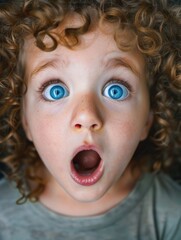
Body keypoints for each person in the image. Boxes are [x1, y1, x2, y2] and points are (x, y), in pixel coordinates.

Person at [0, 0, 181, 239]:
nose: (86, 115)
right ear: (25, 119)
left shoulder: (170, 214)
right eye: (56, 90)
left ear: (148, 118)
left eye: (116, 90)